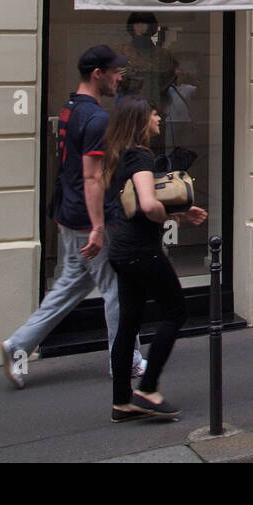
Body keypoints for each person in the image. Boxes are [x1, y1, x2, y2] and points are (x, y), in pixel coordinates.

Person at [1, 45, 145, 387]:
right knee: (117, 288)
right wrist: (98, 227)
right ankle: (127, 361)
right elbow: (92, 176)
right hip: (88, 218)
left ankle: (18, 345)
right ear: (98, 74)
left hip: (69, 212)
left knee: (71, 285)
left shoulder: (70, 108)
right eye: (114, 72)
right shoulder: (97, 118)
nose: (118, 78)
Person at [102, 97, 207, 421]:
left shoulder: (117, 156)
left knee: (128, 323)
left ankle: (122, 402)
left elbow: (136, 203)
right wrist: (169, 217)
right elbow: (148, 205)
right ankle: (147, 390)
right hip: (141, 250)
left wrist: (178, 212)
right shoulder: (141, 155)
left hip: (120, 248)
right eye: (153, 113)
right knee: (176, 311)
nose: (159, 117)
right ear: (140, 120)